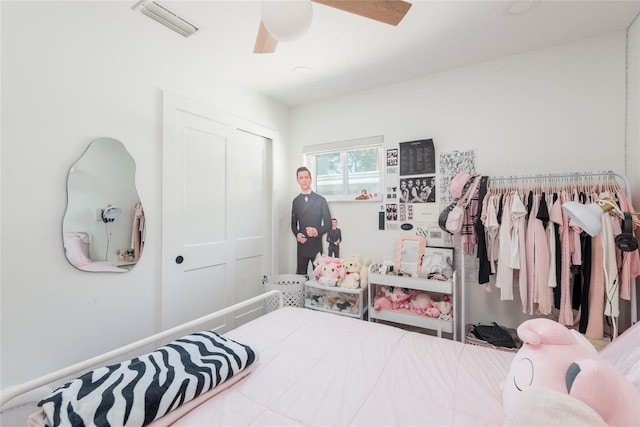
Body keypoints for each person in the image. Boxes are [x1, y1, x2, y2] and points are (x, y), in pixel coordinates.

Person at [291, 166, 332, 275]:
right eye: (301, 178)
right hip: (302, 245)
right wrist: (297, 235)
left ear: (310, 179)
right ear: (297, 180)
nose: (304, 180)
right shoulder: (296, 201)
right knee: (300, 277)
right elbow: (293, 224)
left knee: (318, 277)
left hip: (315, 246)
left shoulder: (320, 200)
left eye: (306, 177)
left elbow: (328, 225)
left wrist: (316, 231)